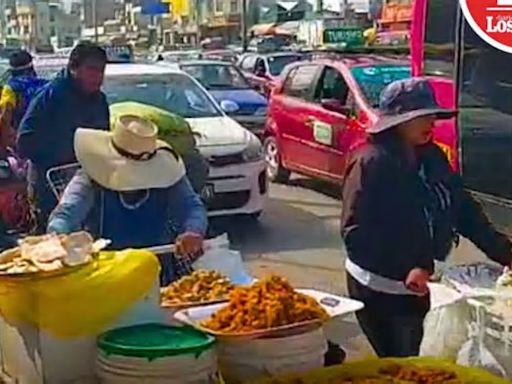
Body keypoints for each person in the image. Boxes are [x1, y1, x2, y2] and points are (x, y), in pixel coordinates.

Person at [341, 78, 512, 358]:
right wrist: (406, 268)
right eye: (420, 117)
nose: (431, 123)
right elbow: (356, 234)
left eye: (432, 115)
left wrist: (505, 252)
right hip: (381, 289)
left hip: (421, 284)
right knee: (403, 364)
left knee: (424, 358)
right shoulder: (371, 162)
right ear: (397, 122)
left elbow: (463, 210)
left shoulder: (432, 157)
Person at [47, 115, 208, 285]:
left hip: (157, 267)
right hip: (105, 270)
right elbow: (67, 211)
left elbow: (192, 207)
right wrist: (58, 234)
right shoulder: (90, 178)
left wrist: (193, 231)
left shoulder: (168, 175)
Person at [17, 42, 110, 231]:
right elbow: (25, 140)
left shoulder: (99, 101)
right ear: (74, 68)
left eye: (101, 70)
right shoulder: (50, 96)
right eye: (91, 69)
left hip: (87, 187)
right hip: (49, 188)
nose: (98, 76)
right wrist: (66, 157)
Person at [0, 50, 48, 156]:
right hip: (46, 142)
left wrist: (3, 150)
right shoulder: (46, 85)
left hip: (20, 142)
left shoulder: (10, 88)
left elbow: (4, 120)